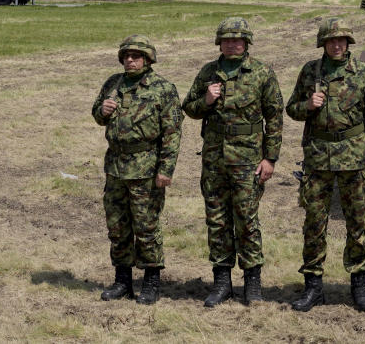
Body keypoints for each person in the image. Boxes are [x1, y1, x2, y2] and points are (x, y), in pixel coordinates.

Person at [285, 17, 365, 312]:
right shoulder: (310, 72)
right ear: (323, 44)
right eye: (331, 40)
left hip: (354, 157)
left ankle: (359, 286)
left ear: (348, 43)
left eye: (341, 40)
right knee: (314, 224)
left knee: (356, 223)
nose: (336, 45)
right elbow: (291, 108)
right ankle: (313, 287)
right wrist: (308, 105)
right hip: (318, 157)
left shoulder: (363, 73)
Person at [182, 17, 284, 307]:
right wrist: (207, 100)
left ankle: (252, 282)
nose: (232, 44)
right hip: (215, 159)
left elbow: (275, 117)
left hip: (248, 158)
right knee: (217, 221)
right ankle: (222, 282)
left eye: (238, 40)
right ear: (219, 43)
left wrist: (270, 158)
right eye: (227, 39)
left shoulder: (262, 72)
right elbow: (189, 107)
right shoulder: (209, 72)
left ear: (247, 42)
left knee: (247, 221)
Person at [91, 35, 183, 305]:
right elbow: (97, 115)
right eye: (126, 56)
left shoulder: (163, 88)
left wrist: (165, 169)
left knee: (146, 227)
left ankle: (152, 282)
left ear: (148, 59)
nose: (130, 61)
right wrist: (103, 110)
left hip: (146, 168)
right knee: (118, 227)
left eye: (136, 56)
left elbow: (172, 133)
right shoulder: (113, 83)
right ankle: (123, 282)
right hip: (116, 167)